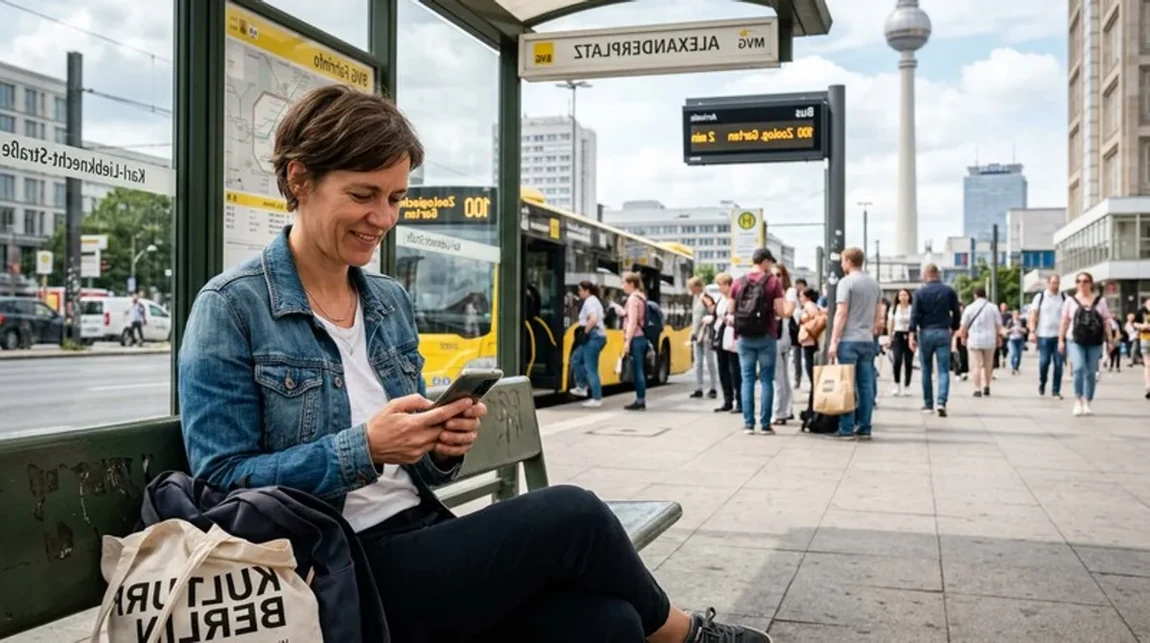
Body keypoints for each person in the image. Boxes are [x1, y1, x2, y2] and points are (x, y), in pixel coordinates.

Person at [178, 85, 769, 643]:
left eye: (396, 198)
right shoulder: (232, 308)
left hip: (423, 539)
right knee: (574, 513)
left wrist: (439, 444)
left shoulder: (386, 300)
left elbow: (424, 477)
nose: (383, 219)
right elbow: (220, 486)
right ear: (299, 179)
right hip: (335, 570)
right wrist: (366, 448)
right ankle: (686, 634)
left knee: (608, 623)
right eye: (363, 195)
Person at [827, 247, 883, 440]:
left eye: (843, 261)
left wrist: (834, 341)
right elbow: (879, 316)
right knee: (866, 385)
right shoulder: (874, 284)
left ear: (849, 261)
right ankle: (865, 426)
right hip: (867, 340)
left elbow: (841, 313)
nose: (842, 265)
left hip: (849, 340)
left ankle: (846, 427)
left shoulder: (846, 283)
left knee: (846, 385)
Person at [730, 248, 787, 435]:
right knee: (766, 380)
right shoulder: (773, 282)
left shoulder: (738, 282)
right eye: (770, 262)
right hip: (766, 335)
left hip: (744, 336)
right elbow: (780, 311)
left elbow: (731, 310)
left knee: (747, 379)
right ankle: (764, 425)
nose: (771, 265)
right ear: (764, 261)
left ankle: (748, 424)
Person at [1058, 271, 1115, 417]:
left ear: (1091, 283)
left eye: (1085, 281)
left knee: (1091, 372)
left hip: (1095, 340)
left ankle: (1087, 401)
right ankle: (1078, 399)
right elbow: (1064, 321)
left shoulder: (1100, 301)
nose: (1082, 284)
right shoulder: (1070, 301)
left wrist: (1110, 339)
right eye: (1079, 281)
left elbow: (1106, 321)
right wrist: (1061, 340)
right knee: (1078, 368)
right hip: (1075, 340)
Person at [909, 263, 961, 417]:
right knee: (943, 369)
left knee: (926, 369)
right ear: (938, 274)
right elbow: (956, 312)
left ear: (926, 274)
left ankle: (928, 404)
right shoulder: (949, 291)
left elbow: (914, 315)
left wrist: (912, 333)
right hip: (943, 331)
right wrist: (954, 327)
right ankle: (941, 401)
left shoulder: (920, 293)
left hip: (925, 332)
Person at [958, 287, 1002, 397]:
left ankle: (977, 389)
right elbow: (998, 325)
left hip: (974, 341)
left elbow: (963, 326)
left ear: (975, 295)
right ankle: (986, 385)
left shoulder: (969, 308)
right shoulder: (993, 307)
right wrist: (998, 337)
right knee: (988, 364)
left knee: (976, 365)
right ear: (985, 295)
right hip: (989, 340)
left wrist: (963, 337)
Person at [569, 280, 606, 408]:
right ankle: (581, 386)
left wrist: (585, 332)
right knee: (576, 359)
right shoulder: (594, 300)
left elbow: (593, 319)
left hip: (593, 336)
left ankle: (597, 398)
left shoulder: (590, 301)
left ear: (586, 291)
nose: (578, 292)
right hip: (595, 336)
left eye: (580, 290)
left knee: (591, 368)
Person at [1028, 274, 1066, 399]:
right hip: (1044, 336)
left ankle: (1056, 390)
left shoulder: (1064, 297)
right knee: (1044, 362)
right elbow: (1033, 315)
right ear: (1048, 283)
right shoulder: (1040, 297)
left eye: (1057, 283)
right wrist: (1032, 331)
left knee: (1059, 364)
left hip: (1059, 336)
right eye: (1053, 283)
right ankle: (1042, 382)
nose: (1055, 285)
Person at [711, 272, 742, 414]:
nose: (719, 288)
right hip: (720, 336)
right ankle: (727, 400)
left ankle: (739, 401)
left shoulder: (734, 298)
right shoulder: (720, 299)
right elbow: (716, 316)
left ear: (729, 285)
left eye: (721, 285)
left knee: (734, 369)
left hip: (730, 336)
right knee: (723, 369)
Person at [771, 264, 798, 426]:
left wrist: (775, 306)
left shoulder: (789, 292)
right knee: (782, 376)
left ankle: (778, 412)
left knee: (778, 376)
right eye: (773, 275)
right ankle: (786, 409)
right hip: (778, 334)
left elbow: (788, 311)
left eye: (779, 275)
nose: (776, 278)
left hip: (782, 335)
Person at [621, 272, 651, 412]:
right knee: (640, 369)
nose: (622, 287)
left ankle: (640, 400)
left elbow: (633, 322)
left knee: (638, 370)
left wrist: (627, 341)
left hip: (636, 338)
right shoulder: (642, 297)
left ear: (631, 284)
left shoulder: (633, 299)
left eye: (624, 283)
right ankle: (641, 399)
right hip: (642, 337)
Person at [797, 286, 827, 415]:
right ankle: (812, 406)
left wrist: (808, 327)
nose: (800, 298)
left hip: (809, 343)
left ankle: (812, 408)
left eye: (801, 296)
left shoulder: (809, 305)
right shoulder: (814, 305)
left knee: (813, 377)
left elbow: (817, 318)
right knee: (813, 377)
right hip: (811, 343)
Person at [687, 276, 718, 400]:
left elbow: (713, 312)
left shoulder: (706, 297)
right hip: (696, 334)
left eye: (691, 287)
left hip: (706, 333)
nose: (690, 289)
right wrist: (692, 331)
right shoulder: (695, 298)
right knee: (698, 362)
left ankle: (713, 387)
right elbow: (695, 318)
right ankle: (699, 387)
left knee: (710, 361)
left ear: (697, 286)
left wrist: (708, 322)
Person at [887, 288, 914, 396]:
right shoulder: (894, 308)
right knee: (897, 360)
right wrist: (889, 338)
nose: (903, 297)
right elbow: (890, 323)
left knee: (908, 362)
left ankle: (907, 386)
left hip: (909, 335)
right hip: (897, 335)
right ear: (898, 297)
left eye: (905, 295)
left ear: (909, 297)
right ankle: (896, 384)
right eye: (901, 295)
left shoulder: (912, 308)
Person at [792, 277, 809, 389]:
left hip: (807, 331)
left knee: (808, 357)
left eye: (801, 285)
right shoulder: (794, 298)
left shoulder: (809, 298)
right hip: (796, 331)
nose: (799, 288)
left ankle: (808, 379)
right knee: (796, 357)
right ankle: (797, 379)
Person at [1134, 298, 1150, 398]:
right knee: (1148, 364)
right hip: (1145, 340)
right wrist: (1143, 326)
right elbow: (1135, 323)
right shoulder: (1141, 312)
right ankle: (1148, 386)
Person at [1005, 310, 1027, 374]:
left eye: (1017, 314)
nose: (1016, 316)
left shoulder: (1022, 321)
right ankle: (1013, 367)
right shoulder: (1010, 322)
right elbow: (1006, 331)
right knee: (1013, 354)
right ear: (1013, 315)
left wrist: (1020, 329)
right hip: (1012, 340)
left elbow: (1025, 330)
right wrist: (1011, 330)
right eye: (1015, 314)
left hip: (1020, 339)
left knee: (1019, 355)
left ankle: (1017, 367)